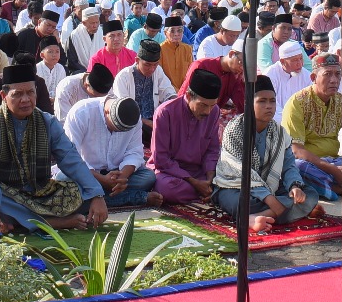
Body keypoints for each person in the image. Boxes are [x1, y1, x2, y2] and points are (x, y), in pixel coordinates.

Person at [0, 64, 108, 233]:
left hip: (41, 193)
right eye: (18, 94)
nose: (26, 99)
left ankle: (20, 223)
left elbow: (70, 159)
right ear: (4, 96)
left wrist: (96, 195)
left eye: (30, 92)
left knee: (79, 191)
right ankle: (53, 222)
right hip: (4, 192)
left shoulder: (48, 122)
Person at [213, 75, 318, 232]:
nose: (269, 106)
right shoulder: (235, 129)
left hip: (270, 185)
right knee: (242, 203)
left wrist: (294, 186)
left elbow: (289, 165)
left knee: (309, 194)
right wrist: (269, 199)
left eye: (272, 101)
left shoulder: (279, 132)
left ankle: (257, 217)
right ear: (249, 103)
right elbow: (240, 171)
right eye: (262, 101)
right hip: (235, 186)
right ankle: (282, 212)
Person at [62, 95, 161, 207]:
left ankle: (92, 199)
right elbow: (71, 158)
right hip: (87, 173)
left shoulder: (134, 117)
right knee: (64, 179)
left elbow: (135, 152)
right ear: (106, 112)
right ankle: (136, 198)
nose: (117, 133)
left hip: (116, 173)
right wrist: (103, 180)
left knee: (148, 177)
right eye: (115, 129)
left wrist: (122, 177)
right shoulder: (81, 113)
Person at [149, 68, 222, 204]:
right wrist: (194, 182)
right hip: (169, 173)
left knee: (231, 181)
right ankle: (210, 194)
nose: (207, 111)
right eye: (203, 105)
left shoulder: (214, 112)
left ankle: (208, 191)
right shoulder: (165, 112)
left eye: (212, 106)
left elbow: (212, 150)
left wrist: (210, 179)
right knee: (167, 188)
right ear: (188, 96)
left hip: (199, 172)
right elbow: (161, 159)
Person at [282, 54, 342, 200]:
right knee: (298, 167)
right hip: (309, 163)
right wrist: (333, 170)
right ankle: (339, 187)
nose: (334, 80)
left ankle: (330, 186)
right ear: (313, 78)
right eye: (327, 74)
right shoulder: (297, 102)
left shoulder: (341, 101)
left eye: (337, 74)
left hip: (334, 160)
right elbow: (296, 150)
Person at [109, 39, 176, 148]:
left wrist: (176, 104)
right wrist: (149, 123)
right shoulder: (123, 77)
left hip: (153, 120)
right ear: (137, 60)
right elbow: (124, 111)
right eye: (147, 65)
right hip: (131, 123)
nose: (152, 69)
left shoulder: (157, 71)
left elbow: (168, 92)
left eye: (155, 64)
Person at [264, 40, 310, 121]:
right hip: (276, 121)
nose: (300, 63)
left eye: (301, 58)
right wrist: (287, 121)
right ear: (282, 61)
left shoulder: (306, 75)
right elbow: (271, 104)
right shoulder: (270, 74)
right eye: (295, 60)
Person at [63, 5, 103, 75]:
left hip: (99, 71)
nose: (95, 26)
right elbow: (72, 62)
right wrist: (88, 72)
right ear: (84, 23)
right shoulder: (75, 36)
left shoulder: (100, 31)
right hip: (81, 73)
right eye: (92, 23)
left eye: (97, 22)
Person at [157, 16, 194, 89]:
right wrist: (176, 92)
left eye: (179, 30)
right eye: (172, 31)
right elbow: (160, 76)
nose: (176, 34)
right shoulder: (160, 50)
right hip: (166, 90)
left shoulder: (187, 49)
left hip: (185, 90)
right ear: (165, 33)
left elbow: (191, 73)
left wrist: (184, 90)